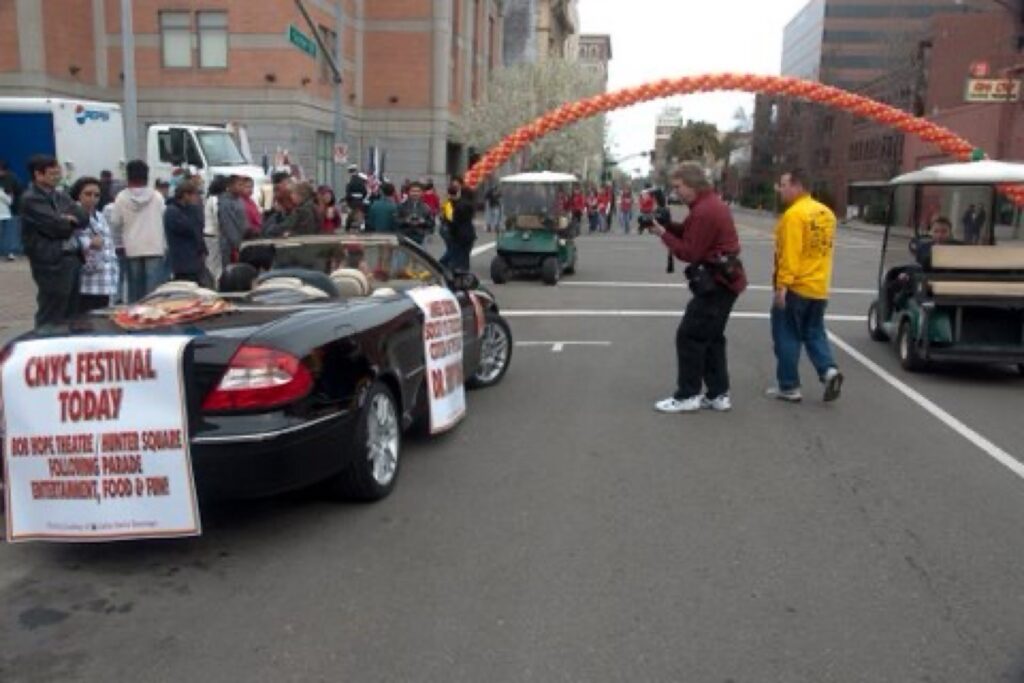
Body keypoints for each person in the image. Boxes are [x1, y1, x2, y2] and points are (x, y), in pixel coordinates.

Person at [648, 163, 747, 413]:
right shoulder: (708, 205)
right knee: (711, 338)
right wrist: (669, 226)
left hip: (717, 284)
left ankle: (687, 395)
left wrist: (662, 233)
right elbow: (693, 235)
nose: (676, 191)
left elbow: (689, 251)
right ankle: (717, 394)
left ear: (692, 185)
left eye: (678, 186)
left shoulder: (705, 210)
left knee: (690, 336)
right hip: (726, 281)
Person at [768, 168, 844, 403]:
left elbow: (791, 253)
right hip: (819, 286)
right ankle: (828, 370)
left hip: (796, 286)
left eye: (783, 185)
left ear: (797, 185)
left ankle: (789, 386)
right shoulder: (826, 214)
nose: (780, 190)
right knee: (814, 332)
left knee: (787, 335)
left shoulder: (794, 216)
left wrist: (782, 286)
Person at [19, 155, 88, 327]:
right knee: (52, 309)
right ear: (38, 175)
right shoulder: (31, 199)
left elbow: (83, 217)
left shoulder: (61, 196)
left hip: (72, 258)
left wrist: (68, 219)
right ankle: (41, 344)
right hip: (50, 261)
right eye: (52, 174)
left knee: (72, 310)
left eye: (58, 173)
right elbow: (56, 226)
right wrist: (67, 220)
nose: (57, 177)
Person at [108, 160, 167, 302]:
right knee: (153, 292)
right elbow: (164, 217)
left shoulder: (121, 198)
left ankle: (135, 317)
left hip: (132, 248)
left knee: (135, 291)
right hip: (154, 247)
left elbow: (115, 222)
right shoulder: (157, 197)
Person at [70, 176, 119, 312]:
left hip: (105, 279)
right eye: (88, 194)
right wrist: (89, 243)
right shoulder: (73, 214)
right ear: (78, 195)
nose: (92, 198)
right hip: (87, 280)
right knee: (86, 321)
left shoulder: (100, 215)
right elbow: (69, 239)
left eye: (96, 195)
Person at [164, 179, 207, 283]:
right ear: (185, 195)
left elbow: (199, 231)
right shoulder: (172, 211)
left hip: (195, 261)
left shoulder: (192, 210)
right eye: (195, 195)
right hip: (182, 261)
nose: (197, 198)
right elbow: (190, 229)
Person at [217, 175, 248, 268]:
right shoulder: (225, 202)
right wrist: (236, 245)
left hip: (242, 241)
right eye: (239, 185)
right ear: (230, 186)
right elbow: (228, 225)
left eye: (243, 185)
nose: (242, 188)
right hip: (230, 244)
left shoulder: (239, 200)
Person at [447, 178, 476, 272]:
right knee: (463, 257)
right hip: (465, 234)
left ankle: (458, 273)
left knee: (459, 258)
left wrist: (454, 202)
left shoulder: (461, 205)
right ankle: (461, 272)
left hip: (461, 235)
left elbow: (455, 220)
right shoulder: (461, 204)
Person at [203, 175, 228, 285]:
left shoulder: (209, 198)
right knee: (215, 263)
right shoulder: (215, 200)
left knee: (211, 261)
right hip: (213, 234)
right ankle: (215, 283)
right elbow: (218, 217)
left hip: (208, 233)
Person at [0, 159, 24, 260]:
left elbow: (11, 197)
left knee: (11, 232)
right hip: (4, 210)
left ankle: (11, 251)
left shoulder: (11, 178)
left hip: (12, 209)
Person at [261, 171, 296, 238]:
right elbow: (266, 210)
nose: (290, 184)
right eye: (287, 182)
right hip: (278, 220)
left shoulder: (291, 193)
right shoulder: (273, 193)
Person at [344, 164, 368, 231]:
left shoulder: (350, 181)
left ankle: (347, 227)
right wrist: (361, 198)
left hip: (352, 202)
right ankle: (362, 227)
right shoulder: (361, 180)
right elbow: (365, 192)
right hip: (360, 202)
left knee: (350, 216)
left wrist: (348, 201)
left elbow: (348, 193)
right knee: (361, 216)